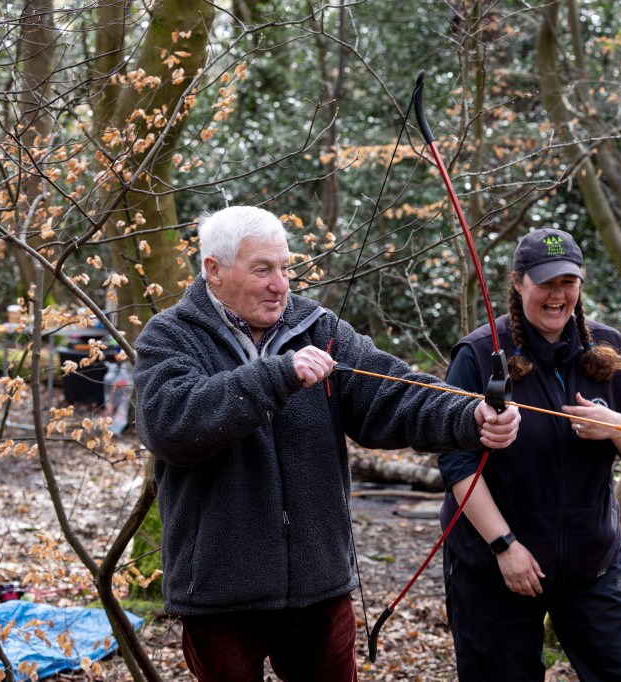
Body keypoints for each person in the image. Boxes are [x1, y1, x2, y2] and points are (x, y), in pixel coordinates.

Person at [133, 205, 521, 681]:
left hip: (320, 586)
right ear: (214, 269)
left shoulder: (318, 328)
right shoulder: (170, 336)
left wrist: (469, 415)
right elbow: (171, 425)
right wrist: (278, 375)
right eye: (263, 270)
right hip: (219, 591)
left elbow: (392, 393)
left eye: (285, 267)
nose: (281, 284)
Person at [437, 228, 621, 682]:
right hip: (495, 569)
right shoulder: (481, 354)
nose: (557, 295)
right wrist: (505, 547)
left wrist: (615, 427)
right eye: (545, 282)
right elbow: (457, 465)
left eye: (568, 282)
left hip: (591, 565)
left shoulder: (608, 347)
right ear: (518, 282)